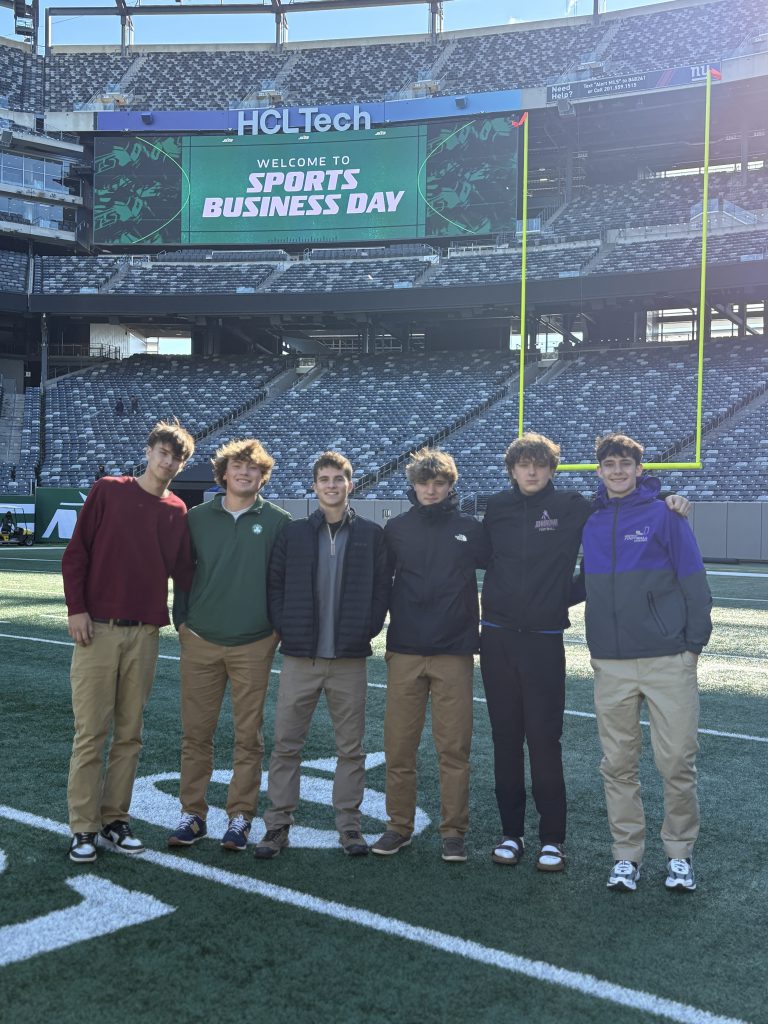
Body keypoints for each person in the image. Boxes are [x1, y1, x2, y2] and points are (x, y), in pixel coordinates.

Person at [480, 433, 690, 874]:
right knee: (504, 739)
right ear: (512, 470)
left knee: (543, 739)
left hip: (543, 638)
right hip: (497, 638)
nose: (532, 472)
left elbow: (623, 506)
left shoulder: (573, 505)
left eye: (540, 465)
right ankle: (510, 833)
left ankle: (552, 838)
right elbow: (478, 558)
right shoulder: (495, 507)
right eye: (524, 465)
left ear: (552, 470)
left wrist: (669, 497)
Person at [581, 433, 712, 894]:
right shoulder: (591, 520)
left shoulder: (666, 514)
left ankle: (679, 855)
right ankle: (626, 856)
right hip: (611, 662)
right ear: (599, 471)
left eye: (624, 464)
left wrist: (693, 645)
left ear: (639, 469)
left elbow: (694, 581)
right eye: (609, 464)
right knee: (617, 764)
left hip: (666, 658)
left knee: (676, 761)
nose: (617, 471)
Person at [62, 419, 195, 864]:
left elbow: (186, 574)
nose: (168, 461)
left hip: (144, 634)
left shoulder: (177, 511)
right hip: (97, 629)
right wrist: (76, 609)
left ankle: (114, 820)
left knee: (130, 735)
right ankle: (83, 827)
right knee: (90, 734)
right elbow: (76, 552)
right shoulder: (109, 490)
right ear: (148, 451)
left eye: (176, 457)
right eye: (162, 451)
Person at [253, 451, 390, 860]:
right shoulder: (294, 534)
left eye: (338, 479)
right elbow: (274, 585)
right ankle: (277, 825)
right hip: (300, 657)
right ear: (314, 486)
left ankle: (349, 826)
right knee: (286, 745)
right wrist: (288, 628)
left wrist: (367, 627)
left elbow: (382, 588)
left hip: (348, 658)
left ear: (351, 484)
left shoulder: (370, 534)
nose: (331, 485)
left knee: (351, 748)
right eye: (324, 479)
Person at [167, 439, 290, 851]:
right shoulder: (196, 518)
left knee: (247, 736)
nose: (244, 473)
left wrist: (274, 630)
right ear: (223, 474)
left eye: (253, 468)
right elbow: (183, 575)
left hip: (254, 643)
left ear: (262, 476)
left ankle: (239, 817)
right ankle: (193, 814)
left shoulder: (278, 521)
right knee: (196, 734)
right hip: (199, 639)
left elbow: (284, 583)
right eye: (237, 467)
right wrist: (181, 622)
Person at [371, 448, 487, 863]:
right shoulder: (397, 529)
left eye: (439, 483)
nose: (431, 490)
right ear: (413, 485)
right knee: (399, 747)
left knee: (453, 749)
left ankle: (453, 831)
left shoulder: (470, 529)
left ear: (451, 485)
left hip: (454, 650)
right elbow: (381, 586)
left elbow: (505, 571)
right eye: (424, 483)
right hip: (405, 650)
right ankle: (397, 826)